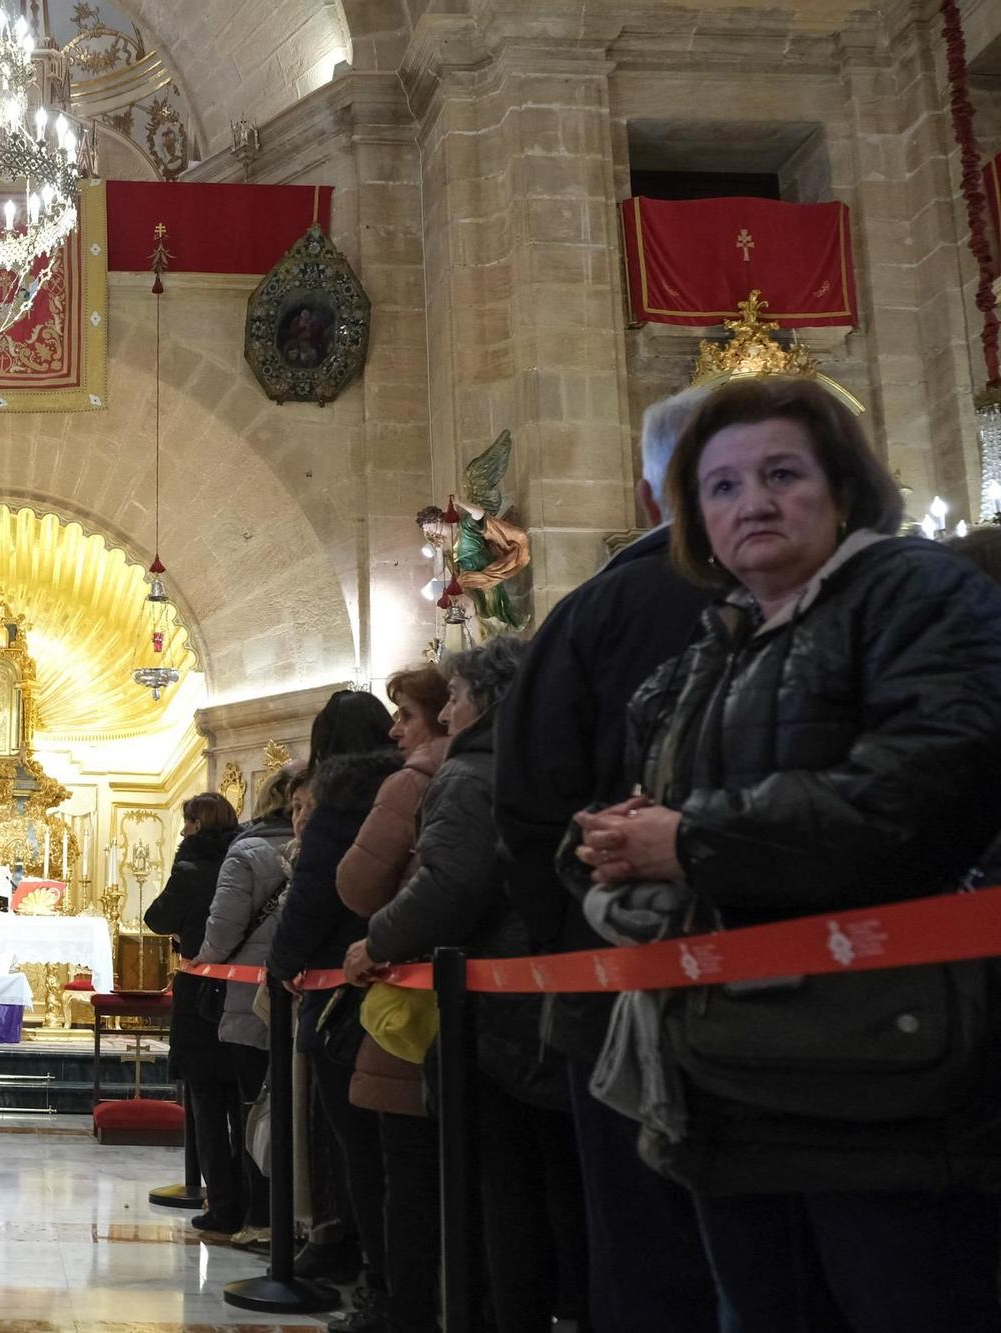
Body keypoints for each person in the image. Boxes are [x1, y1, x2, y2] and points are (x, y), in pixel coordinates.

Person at [573, 377, 1001, 1331]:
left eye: (781, 473)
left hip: (890, 1076)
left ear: (842, 488)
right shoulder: (710, 649)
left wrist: (687, 839)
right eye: (720, 487)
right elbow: (643, 799)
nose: (751, 503)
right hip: (733, 1070)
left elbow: (920, 790)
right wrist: (614, 847)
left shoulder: (918, 595)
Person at [491, 385, 716, 1333]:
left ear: (642, 490)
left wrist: (587, 949)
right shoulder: (860, 602)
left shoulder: (591, 616)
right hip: (822, 999)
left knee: (648, 1255)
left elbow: (529, 815)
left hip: (619, 994)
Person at [347, 638, 589, 1333]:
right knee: (561, 1194)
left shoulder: (468, 772)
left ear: (483, 697)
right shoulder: (551, 760)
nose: (447, 709)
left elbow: (449, 886)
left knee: (503, 1193)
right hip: (554, 999)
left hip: (497, 1018)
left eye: (454, 696)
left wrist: (376, 940)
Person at [264, 689, 398, 1305]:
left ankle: (376, 1275)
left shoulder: (339, 802)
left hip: (341, 993)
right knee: (400, 1149)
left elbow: (314, 892)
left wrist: (283, 963)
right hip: (408, 985)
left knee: (354, 1144)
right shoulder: (408, 790)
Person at [329, 666, 449, 1333]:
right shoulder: (492, 770)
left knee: (399, 1165)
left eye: (404, 713)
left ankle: (402, 1303)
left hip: (408, 998)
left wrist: (375, 939)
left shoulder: (413, 782)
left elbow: (355, 882)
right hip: (472, 1001)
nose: (393, 727)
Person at [191, 768, 301, 1245]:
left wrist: (205, 962)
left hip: (249, 996)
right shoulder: (307, 846)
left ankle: (260, 1215)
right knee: (294, 1104)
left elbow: (223, 926)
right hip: (304, 989)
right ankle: (295, 1215)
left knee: (255, 1104)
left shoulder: (248, 853)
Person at [142, 793, 243, 1236]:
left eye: (186, 824)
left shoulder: (190, 869)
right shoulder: (247, 863)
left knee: (205, 1102)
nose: (182, 832)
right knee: (244, 1101)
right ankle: (256, 1204)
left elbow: (157, 918)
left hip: (201, 991)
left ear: (198, 826)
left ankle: (221, 1205)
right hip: (244, 992)